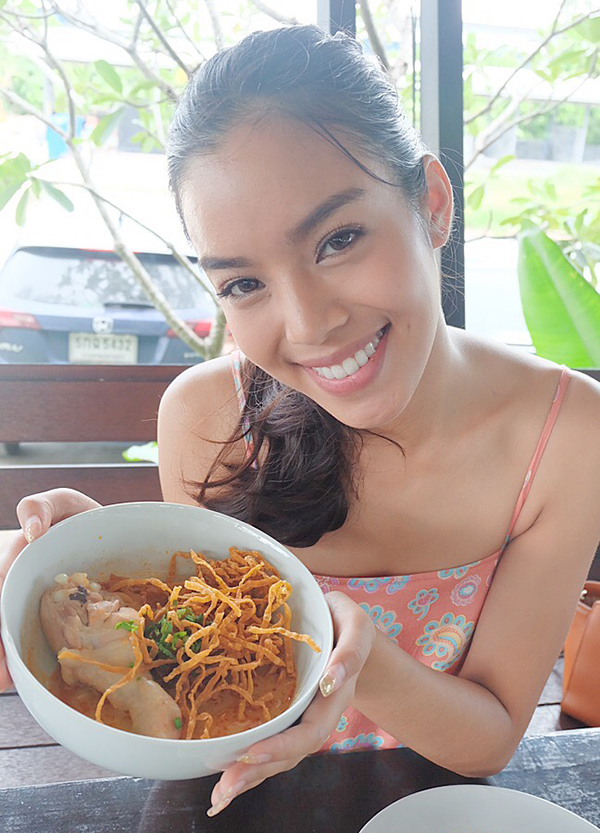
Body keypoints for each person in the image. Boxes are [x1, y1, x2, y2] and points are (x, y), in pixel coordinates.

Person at [1, 24, 599, 818]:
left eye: (338, 239)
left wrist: (360, 660)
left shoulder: (568, 435)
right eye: (244, 283)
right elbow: (188, 677)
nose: (310, 323)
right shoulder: (208, 419)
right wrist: (96, 575)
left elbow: (488, 737)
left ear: (432, 203)